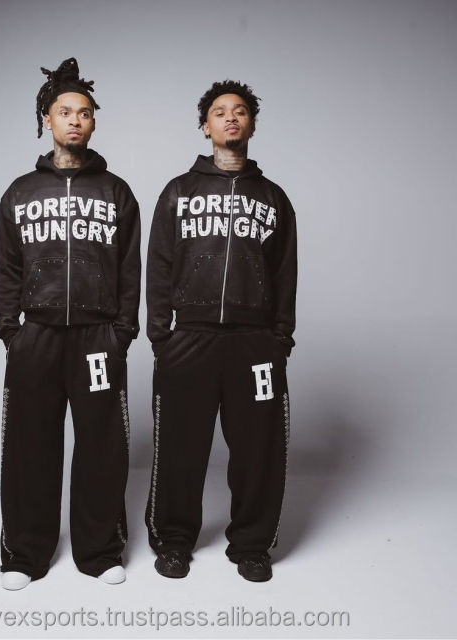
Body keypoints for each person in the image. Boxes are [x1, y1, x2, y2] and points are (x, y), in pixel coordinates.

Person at [0, 57, 140, 589]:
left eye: (84, 112)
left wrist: (121, 333)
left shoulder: (117, 192)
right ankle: (25, 555)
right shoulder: (20, 192)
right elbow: (6, 267)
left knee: (102, 445)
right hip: (36, 336)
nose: (75, 120)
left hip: (98, 338)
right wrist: (12, 331)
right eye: (64, 112)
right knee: (30, 445)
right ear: (46, 120)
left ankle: (99, 551)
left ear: (93, 122)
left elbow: (130, 269)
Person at [145, 80, 297, 582]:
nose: (230, 117)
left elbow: (285, 274)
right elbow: (159, 264)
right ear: (205, 126)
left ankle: (252, 546)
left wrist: (280, 338)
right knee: (179, 448)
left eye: (240, 111)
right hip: (188, 339)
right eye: (219, 111)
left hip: (255, 343)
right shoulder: (179, 191)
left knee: (258, 450)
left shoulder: (274, 198)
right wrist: (161, 336)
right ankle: (173, 541)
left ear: (251, 123)